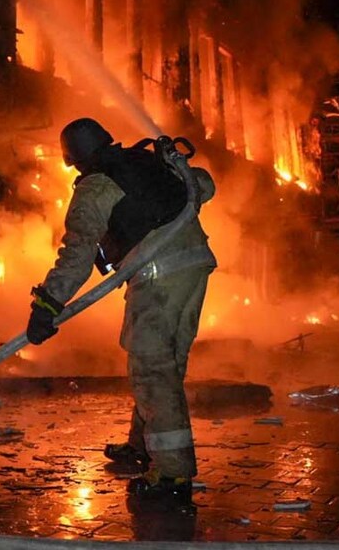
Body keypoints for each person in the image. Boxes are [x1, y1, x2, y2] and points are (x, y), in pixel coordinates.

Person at [26, 118, 217, 500]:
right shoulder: (147, 162)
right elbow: (205, 186)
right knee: (165, 362)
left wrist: (48, 303)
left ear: (76, 159)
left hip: (158, 274)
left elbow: (78, 254)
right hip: (195, 265)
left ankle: (172, 475)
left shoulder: (96, 186)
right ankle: (145, 445)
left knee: (150, 366)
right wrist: (175, 164)